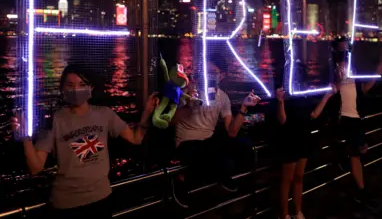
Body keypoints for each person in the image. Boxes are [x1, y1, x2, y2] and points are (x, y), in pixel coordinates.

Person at [11, 64, 157, 219]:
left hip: (101, 198)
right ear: (62, 89)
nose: (76, 90)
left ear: (91, 88)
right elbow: (36, 167)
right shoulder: (55, 120)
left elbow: (135, 138)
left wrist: (147, 113)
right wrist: (25, 137)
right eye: (70, 85)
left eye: (82, 85)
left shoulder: (105, 114)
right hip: (66, 204)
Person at [172, 56, 261, 209]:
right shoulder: (187, 91)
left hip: (208, 142)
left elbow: (231, 132)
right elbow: (172, 120)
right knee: (213, 156)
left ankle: (237, 183)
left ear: (222, 75)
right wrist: (189, 103)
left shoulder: (223, 97)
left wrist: (244, 108)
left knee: (243, 146)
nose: (208, 75)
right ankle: (181, 179)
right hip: (187, 142)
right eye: (206, 72)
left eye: (213, 72)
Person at [330, 36, 382, 205]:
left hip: (356, 117)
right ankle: (360, 190)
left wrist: (377, 73)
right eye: (343, 49)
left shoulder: (353, 70)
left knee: (361, 151)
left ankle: (358, 185)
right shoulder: (335, 68)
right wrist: (340, 72)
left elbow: (363, 89)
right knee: (356, 154)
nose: (346, 52)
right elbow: (334, 88)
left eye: (348, 49)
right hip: (345, 117)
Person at [275, 82, 334, 219]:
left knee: (299, 178)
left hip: (304, 137)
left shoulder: (305, 93)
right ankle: (284, 215)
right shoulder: (285, 91)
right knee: (287, 180)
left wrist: (327, 96)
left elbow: (313, 114)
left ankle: (297, 212)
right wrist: (280, 101)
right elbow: (282, 119)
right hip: (289, 138)